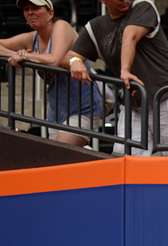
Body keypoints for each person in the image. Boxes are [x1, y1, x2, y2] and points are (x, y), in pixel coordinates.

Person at [66, 0, 168, 156]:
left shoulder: (144, 5)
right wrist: (75, 62)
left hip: (167, 93)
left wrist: (125, 69)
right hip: (134, 102)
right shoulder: (95, 27)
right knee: (125, 156)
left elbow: (130, 35)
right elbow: (72, 54)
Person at [0, 0, 102, 146]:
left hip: (83, 107)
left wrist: (25, 56)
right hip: (56, 109)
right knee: (58, 158)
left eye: (35, 8)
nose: (30, 12)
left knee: (62, 150)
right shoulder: (32, 37)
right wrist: (16, 54)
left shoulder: (61, 26)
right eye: (26, 9)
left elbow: (54, 59)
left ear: (51, 12)